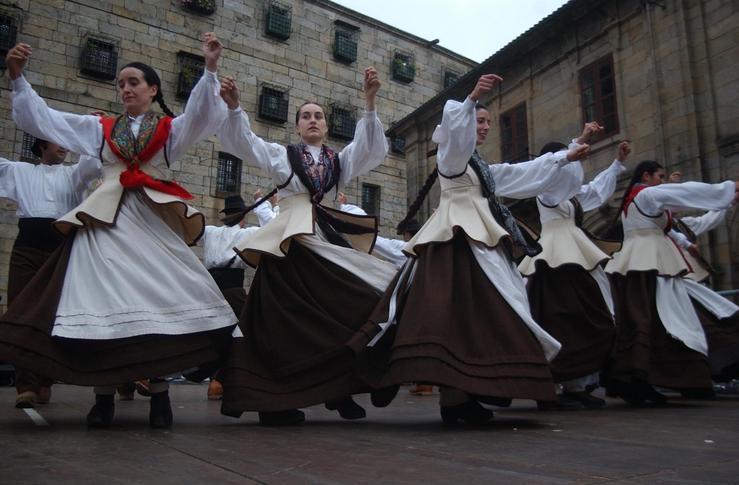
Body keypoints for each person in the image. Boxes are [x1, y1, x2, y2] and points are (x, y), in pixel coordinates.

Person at [0, 34, 237, 428]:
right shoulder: (100, 129)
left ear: (152, 90)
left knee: (158, 303)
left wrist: (209, 68)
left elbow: (199, 116)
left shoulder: (168, 131)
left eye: (134, 82)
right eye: (121, 84)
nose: (126, 88)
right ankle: (103, 397)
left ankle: (160, 397)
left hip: (148, 223)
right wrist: (18, 79)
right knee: (101, 303)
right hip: (105, 223)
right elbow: (46, 120)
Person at [362, 74, 591, 425]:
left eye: (486, 122)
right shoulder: (451, 158)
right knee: (462, 315)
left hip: (479, 240)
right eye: (479, 121)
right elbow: (456, 136)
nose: (483, 127)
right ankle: (455, 399)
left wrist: (566, 155)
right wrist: (469, 101)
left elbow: (521, 172)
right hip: (456, 241)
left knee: (484, 312)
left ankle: (463, 397)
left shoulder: (480, 167)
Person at [217, 68, 397, 425]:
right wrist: (236, 108)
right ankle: (277, 401)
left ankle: (345, 386)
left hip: (326, 242)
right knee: (281, 325)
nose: (312, 120)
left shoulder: (338, 161)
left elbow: (369, 148)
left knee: (357, 303)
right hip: (289, 245)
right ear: (297, 126)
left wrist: (370, 102)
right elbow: (245, 143)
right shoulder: (282, 156)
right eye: (306, 116)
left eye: (318, 116)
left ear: (326, 127)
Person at [604, 161, 738, 404]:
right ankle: (643, 380)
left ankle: (675, 379)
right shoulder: (646, 194)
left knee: (665, 317)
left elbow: (677, 210)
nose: (663, 181)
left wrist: (725, 200)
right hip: (651, 265)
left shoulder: (636, 199)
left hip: (647, 264)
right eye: (660, 176)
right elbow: (684, 193)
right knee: (664, 318)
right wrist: (728, 189)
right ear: (647, 175)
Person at [519, 128, 629, 409]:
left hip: (574, 251)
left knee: (588, 312)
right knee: (558, 316)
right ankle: (552, 385)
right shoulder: (545, 191)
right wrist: (579, 142)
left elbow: (596, 191)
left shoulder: (571, 195)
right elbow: (562, 183)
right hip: (554, 256)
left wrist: (616, 164)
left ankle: (578, 384)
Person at [0, 140, 101, 408]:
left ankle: (46, 379)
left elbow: (92, 162)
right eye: (58, 141)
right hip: (27, 247)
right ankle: (26, 385)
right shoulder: (20, 171)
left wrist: (89, 135)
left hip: (59, 247)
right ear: (42, 144)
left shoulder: (73, 174)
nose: (64, 147)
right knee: (20, 309)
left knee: (55, 314)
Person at [201, 194, 260, 400]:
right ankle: (222, 379)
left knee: (214, 333)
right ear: (242, 217)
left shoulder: (209, 231)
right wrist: (269, 207)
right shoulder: (249, 233)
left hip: (210, 291)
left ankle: (216, 380)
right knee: (246, 332)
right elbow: (274, 229)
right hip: (233, 289)